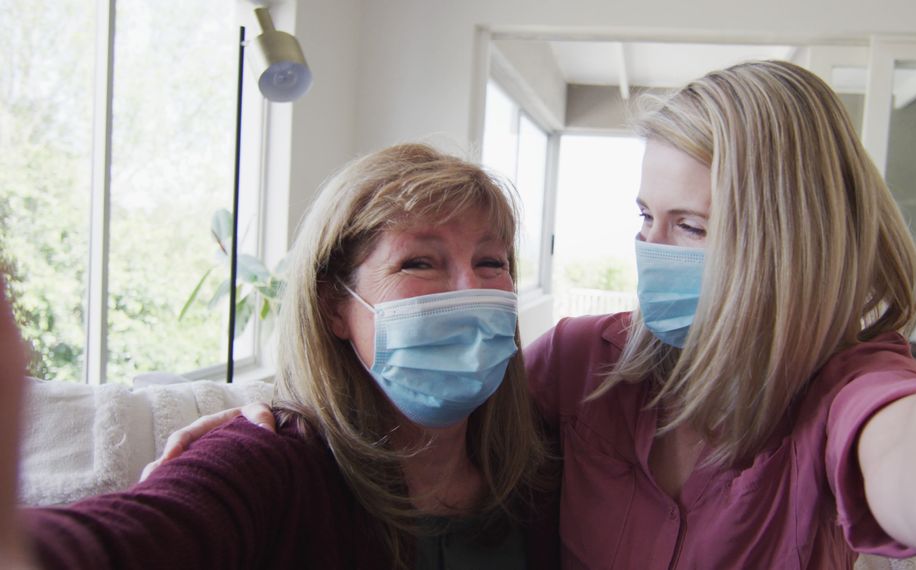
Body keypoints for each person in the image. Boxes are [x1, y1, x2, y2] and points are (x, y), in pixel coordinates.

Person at [138, 60, 916, 569]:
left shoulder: (845, 395)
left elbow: (914, 447)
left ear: (788, 243)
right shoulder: (589, 362)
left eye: (692, 227)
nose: (651, 255)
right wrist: (279, 420)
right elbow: (436, 416)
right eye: (644, 220)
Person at [1, 143, 558, 569]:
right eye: (418, 263)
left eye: (491, 262)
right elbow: (128, 539)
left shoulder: (544, 469)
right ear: (335, 306)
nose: (465, 290)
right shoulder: (269, 461)